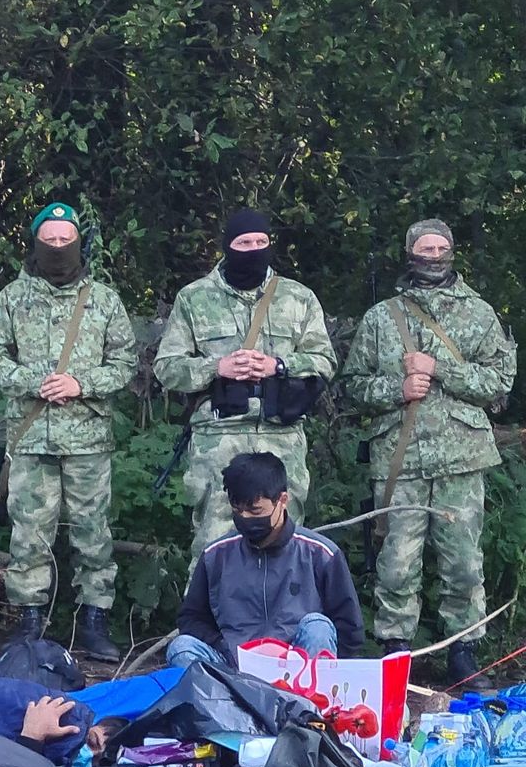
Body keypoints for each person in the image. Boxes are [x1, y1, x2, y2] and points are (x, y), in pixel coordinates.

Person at [341, 218, 518, 684]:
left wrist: (439, 369)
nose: (434, 255)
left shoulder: (479, 313)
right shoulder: (382, 317)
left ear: (453, 251)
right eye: (425, 247)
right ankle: (397, 651)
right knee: (396, 562)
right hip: (399, 459)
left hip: (462, 459)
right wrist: (396, 388)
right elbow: (353, 386)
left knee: (463, 561)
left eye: (442, 247)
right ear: (409, 252)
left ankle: (464, 651)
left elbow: (499, 383)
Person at [0, 202, 139, 657]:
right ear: (35, 243)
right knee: (28, 533)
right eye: (48, 240)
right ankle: (28, 627)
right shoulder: (13, 298)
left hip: (88, 438)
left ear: (79, 243)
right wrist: (36, 382)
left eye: (65, 239)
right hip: (30, 439)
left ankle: (94, 623)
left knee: (93, 533)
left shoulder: (104, 300)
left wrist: (81, 383)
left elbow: (126, 362)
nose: (57, 247)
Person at [153, 208, 336, 550]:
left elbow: (325, 361)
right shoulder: (194, 298)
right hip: (219, 437)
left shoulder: (298, 297)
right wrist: (216, 367)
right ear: (227, 246)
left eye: (261, 241)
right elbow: (167, 368)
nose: (253, 248)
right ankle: (213, 606)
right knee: (215, 544)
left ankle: (283, 606)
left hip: (281, 433)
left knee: (285, 541)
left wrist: (279, 365)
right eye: (244, 241)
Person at [166, 452, 364, 669]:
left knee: (318, 627)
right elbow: (191, 619)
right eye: (238, 510)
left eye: (255, 510)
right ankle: (224, 702)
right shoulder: (215, 555)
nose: (246, 518)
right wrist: (223, 646)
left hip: (298, 668)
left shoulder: (321, 553)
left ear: (282, 501)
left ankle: (311, 701)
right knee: (181, 648)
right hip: (234, 665)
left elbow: (349, 628)